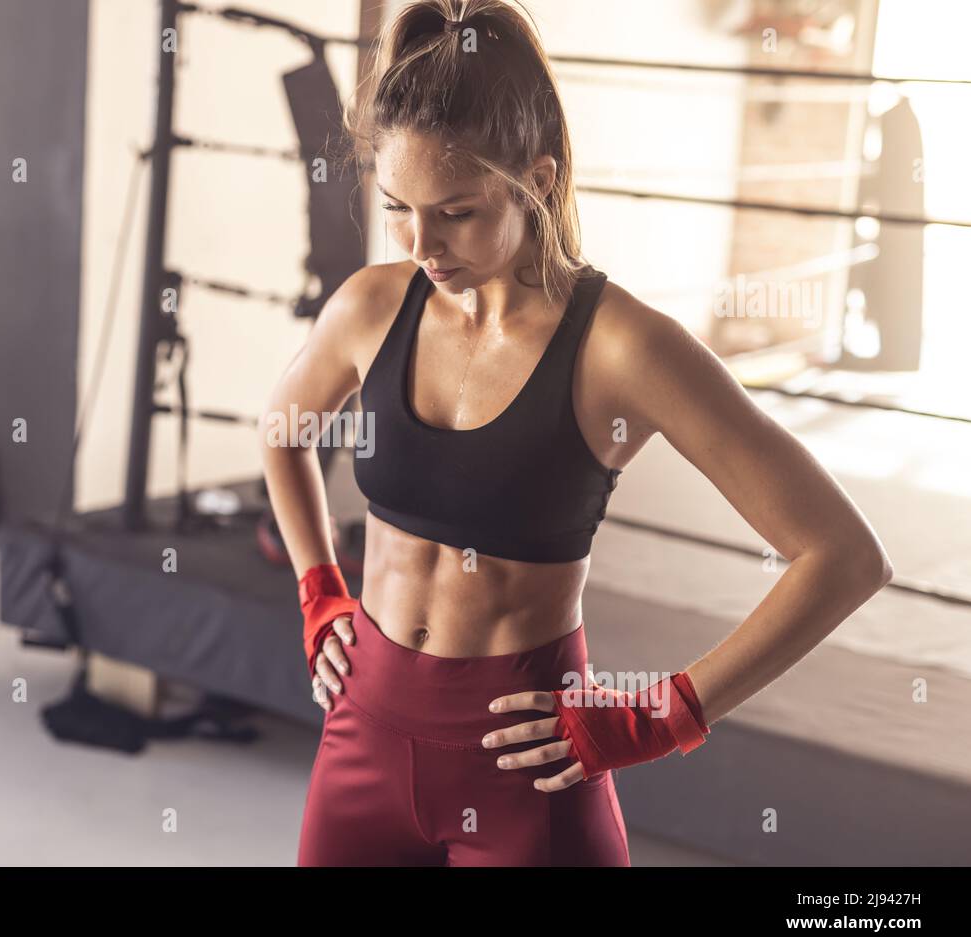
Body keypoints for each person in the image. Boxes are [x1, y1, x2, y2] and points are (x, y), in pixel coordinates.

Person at [258, 0, 893, 867]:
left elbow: (843, 556)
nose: (423, 245)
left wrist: (662, 714)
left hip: (529, 771)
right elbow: (282, 430)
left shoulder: (624, 348)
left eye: (458, 211)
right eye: (401, 207)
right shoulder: (373, 304)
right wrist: (319, 588)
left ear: (541, 178)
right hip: (361, 734)